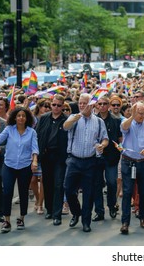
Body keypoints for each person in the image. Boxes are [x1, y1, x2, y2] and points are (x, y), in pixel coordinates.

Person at [63, 93, 109, 233]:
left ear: (91, 104)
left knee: (88, 193)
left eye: (84, 103)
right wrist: (73, 119)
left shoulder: (99, 121)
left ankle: (86, 222)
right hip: (74, 160)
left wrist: (102, 145)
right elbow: (65, 126)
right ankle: (76, 212)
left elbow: (105, 138)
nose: (81, 105)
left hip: (90, 161)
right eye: (80, 103)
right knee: (68, 189)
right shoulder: (74, 118)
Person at [0, 107, 39, 233]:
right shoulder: (9, 129)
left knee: (23, 192)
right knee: (7, 192)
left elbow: (35, 149)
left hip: (25, 166)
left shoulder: (31, 132)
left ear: (27, 118)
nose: (21, 118)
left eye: (23, 116)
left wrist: (34, 161)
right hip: (9, 165)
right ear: (14, 117)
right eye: (18, 115)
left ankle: (21, 218)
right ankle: (6, 220)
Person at [119, 102, 144, 235]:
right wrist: (132, 116)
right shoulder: (127, 122)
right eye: (139, 113)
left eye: (143, 113)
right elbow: (123, 128)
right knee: (127, 191)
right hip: (128, 161)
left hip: (143, 162)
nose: (141, 116)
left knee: (143, 191)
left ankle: (143, 217)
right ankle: (125, 222)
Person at [36, 94, 68, 226]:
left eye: (58, 105)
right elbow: (37, 135)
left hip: (60, 156)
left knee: (58, 184)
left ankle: (57, 214)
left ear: (62, 106)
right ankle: (49, 209)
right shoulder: (43, 118)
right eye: (53, 105)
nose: (55, 107)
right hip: (46, 155)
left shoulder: (66, 120)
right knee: (47, 183)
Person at [92, 96, 122, 221]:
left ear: (108, 105)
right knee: (97, 184)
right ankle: (99, 211)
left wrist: (121, 150)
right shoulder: (93, 120)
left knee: (111, 182)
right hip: (96, 157)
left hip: (111, 157)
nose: (103, 106)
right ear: (97, 105)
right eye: (100, 103)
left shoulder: (116, 120)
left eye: (105, 103)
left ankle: (112, 206)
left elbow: (120, 139)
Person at [31, 98, 51, 215]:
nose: (47, 108)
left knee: (43, 179)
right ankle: (38, 199)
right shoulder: (32, 120)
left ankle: (40, 204)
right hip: (32, 152)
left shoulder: (49, 119)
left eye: (49, 106)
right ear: (39, 107)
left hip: (44, 153)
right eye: (45, 106)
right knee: (32, 180)